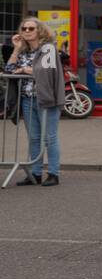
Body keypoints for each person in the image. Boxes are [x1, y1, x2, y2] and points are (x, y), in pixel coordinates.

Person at [4, 17, 63, 186]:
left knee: (50, 137)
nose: (27, 31)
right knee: (34, 138)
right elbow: (9, 69)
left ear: (40, 31)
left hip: (46, 98)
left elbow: (45, 71)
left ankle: (53, 173)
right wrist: (16, 50)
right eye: (24, 28)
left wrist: (23, 69)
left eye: (31, 28)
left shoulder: (48, 48)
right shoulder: (23, 51)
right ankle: (35, 173)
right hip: (27, 99)